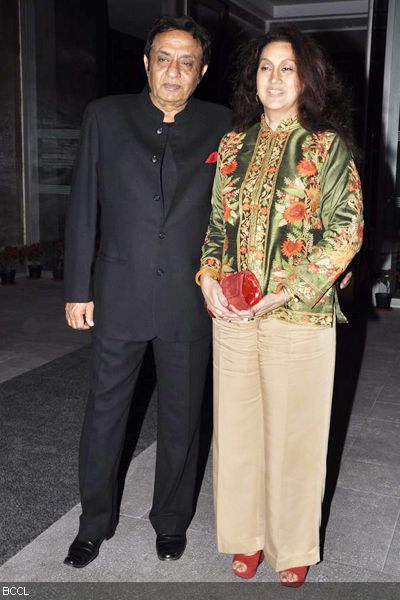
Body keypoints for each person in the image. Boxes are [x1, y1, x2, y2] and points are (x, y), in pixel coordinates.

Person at [197, 27, 363, 587]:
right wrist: (208, 280)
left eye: (286, 68)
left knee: (295, 434)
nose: (274, 78)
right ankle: (244, 537)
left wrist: (287, 287)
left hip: (299, 314)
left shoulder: (326, 146)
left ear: (306, 79)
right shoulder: (235, 145)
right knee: (237, 429)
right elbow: (218, 226)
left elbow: (347, 231)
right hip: (235, 315)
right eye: (265, 67)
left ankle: (291, 544)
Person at [63, 15, 231, 568]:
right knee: (105, 413)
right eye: (164, 57)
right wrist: (78, 288)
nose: (174, 71)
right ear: (146, 62)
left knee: (183, 417)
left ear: (201, 71)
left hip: (190, 299)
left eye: (187, 62)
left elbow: (234, 217)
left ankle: (171, 521)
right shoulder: (106, 117)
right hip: (119, 292)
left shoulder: (224, 127)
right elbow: (84, 204)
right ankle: (93, 522)